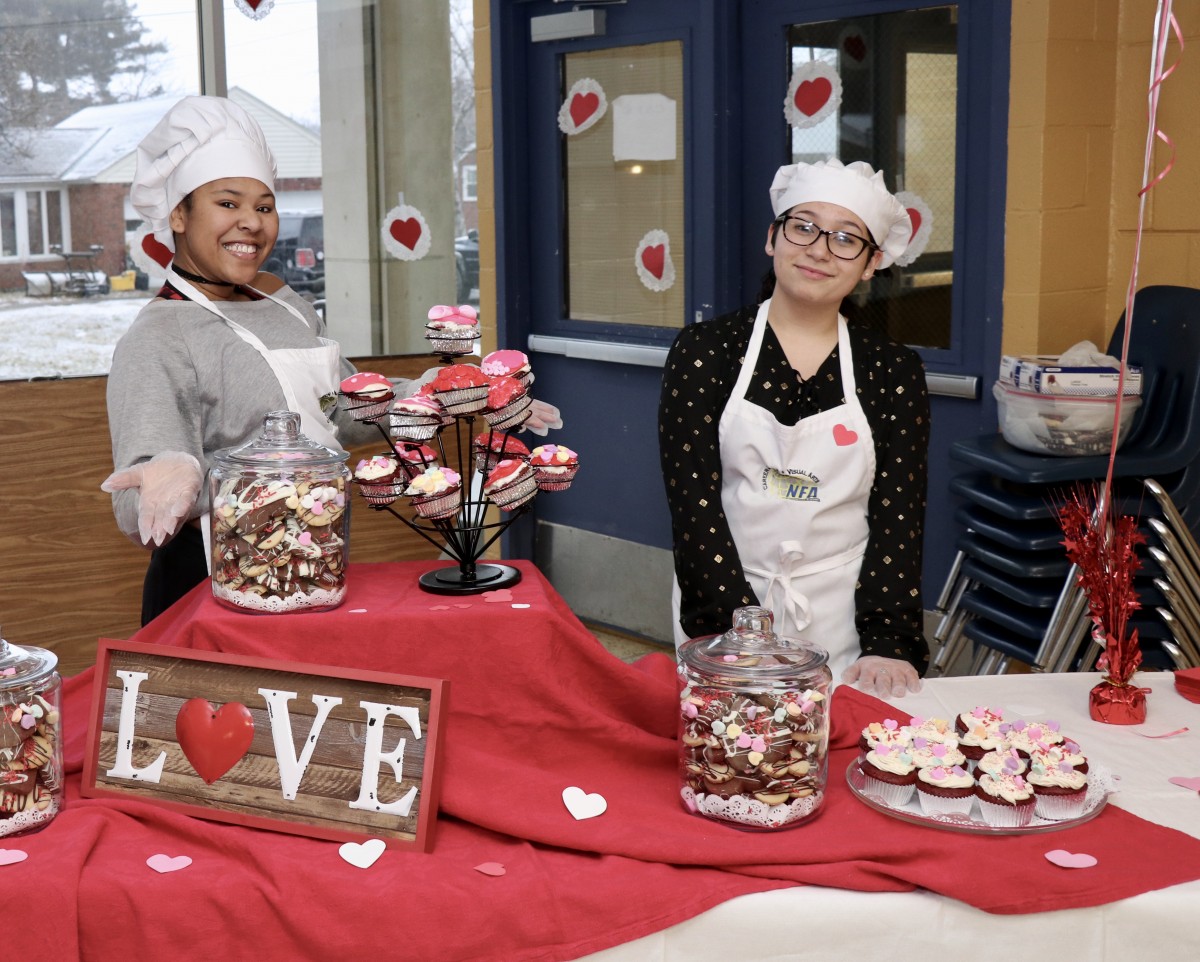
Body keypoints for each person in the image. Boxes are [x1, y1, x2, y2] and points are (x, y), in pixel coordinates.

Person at [103, 95, 559, 624]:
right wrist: (174, 470)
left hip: (315, 562)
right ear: (178, 214)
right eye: (228, 203)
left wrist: (438, 393)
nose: (251, 222)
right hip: (214, 585)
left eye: (265, 206)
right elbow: (135, 509)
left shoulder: (285, 304)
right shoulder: (158, 337)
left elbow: (341, 412)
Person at [658, 158, 930, 698]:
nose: (820, 249)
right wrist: (733, 630)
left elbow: (899, 515)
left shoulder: (893, 371)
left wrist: (890, 641)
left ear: (872, 263)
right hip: (723, 600)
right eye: (803, 226)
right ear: (772, 237)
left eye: (846, 238)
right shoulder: (706, 352)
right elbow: (693, 502)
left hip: (845, 615)